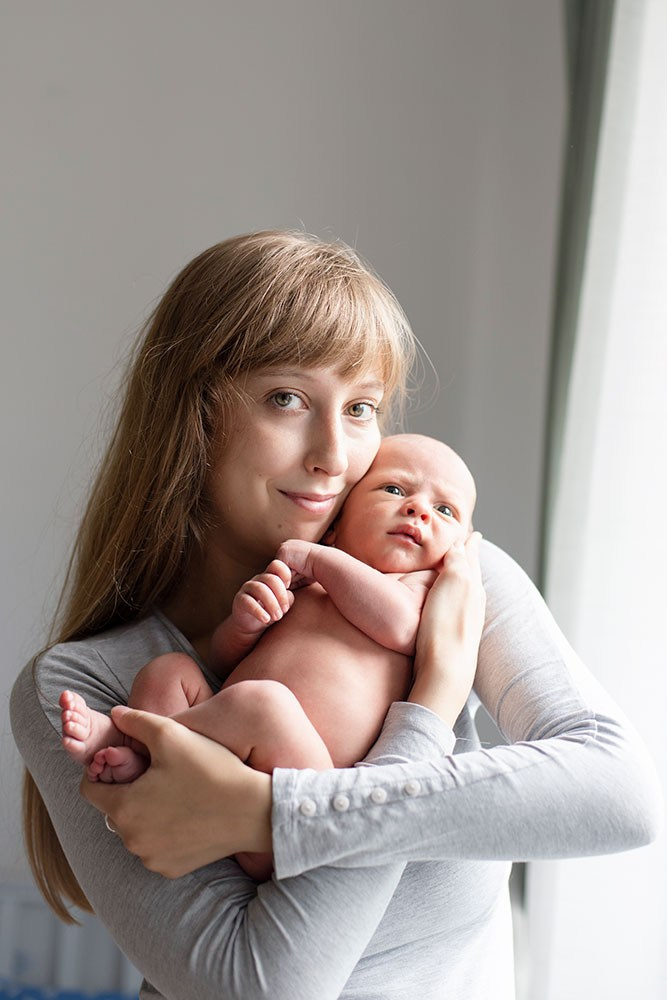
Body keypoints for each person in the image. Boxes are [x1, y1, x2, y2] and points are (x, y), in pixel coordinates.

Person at [11, 231, 662, 1000]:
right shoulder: (88, 683)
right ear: (194, 414)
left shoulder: (443, 572)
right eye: (286, 398)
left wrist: (269, 812)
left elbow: (619, 799)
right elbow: (266, 984)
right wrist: (429, 705)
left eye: (361, 408)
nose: (332, 454)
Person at [59, 433, 477, 881]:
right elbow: (221, 668)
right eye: (394, 490)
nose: (419, 510)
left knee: (264, 704)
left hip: (300, 794)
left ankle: (136, 743)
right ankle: (154, 756)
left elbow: (403, 628)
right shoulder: (309, 579)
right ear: (337, 520)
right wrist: (242, 625)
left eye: (445, 510)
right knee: (171, 672)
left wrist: (318, 561)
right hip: (227, 752)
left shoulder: (422, 588)